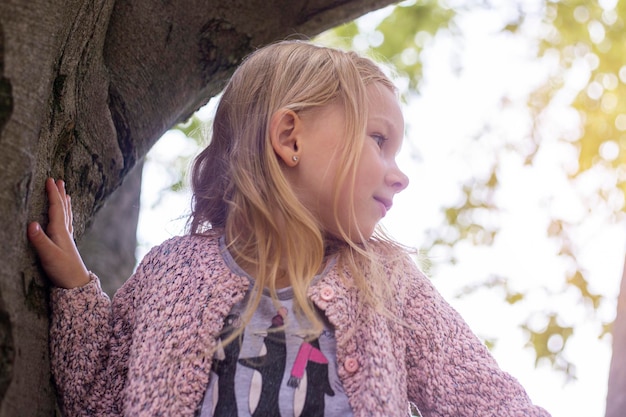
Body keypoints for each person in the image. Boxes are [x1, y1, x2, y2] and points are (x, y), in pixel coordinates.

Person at [28, 40, 551, 417]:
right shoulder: (173, 269)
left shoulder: (387, 284)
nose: (400, 174)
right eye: (378, 140)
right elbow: (96, 392)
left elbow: (487, 398)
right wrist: (75, 286)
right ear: (289, 138)